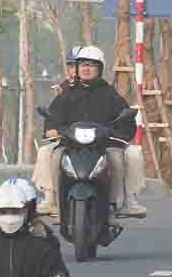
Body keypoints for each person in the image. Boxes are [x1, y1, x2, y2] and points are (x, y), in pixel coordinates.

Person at [32, 44, 147, 220]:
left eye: (91, 65)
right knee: (50, 154)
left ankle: (124, 202)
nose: (86, 68)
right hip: (71, 144)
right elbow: (52, 116)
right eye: (82, 64)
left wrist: (118, 135)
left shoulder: (111, 95)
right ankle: (52, 200)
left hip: (104, 145)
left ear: (99, 68)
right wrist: (51, 129)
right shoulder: (66, 94)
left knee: (126, 155)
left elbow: (127, 121)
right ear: (77, 68)